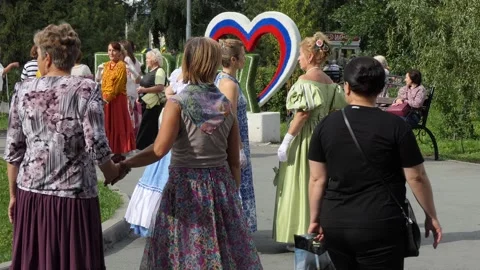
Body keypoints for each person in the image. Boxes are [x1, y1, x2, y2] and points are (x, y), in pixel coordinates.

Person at [112, 37, 262, 269]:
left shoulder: (177, 103)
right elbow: (234, 162)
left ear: (188, 63)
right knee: (218, 255)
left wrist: (126, 164)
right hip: (220, 188)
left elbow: (159, 150)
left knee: (182, 253)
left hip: (186, 190)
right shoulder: (224, 104)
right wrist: (230, 197)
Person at [308, 56, 442, 270]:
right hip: (381, 223)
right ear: (381, 88)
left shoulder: (326, 125)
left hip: (336, 221)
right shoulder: (396, 127)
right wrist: (431, 215)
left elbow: (317, 178)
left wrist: (315, 218)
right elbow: (416, 176)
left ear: (347, 88)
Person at [4, 23, 120, 270]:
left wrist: (13, 195)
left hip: (32, 196)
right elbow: (97, 143)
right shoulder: (86, 89)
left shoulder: (23, 90)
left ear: (46, 57)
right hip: (74, 198)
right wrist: (113, 172)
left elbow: (14, 150)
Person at [273, 32, 348, 251]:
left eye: (300, 55)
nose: (298, 59)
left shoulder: (305, 81)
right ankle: (319, 229)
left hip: (305, 137)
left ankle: (300, 231)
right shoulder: (329, 82)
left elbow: (302, 114)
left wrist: (286, 140)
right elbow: (335, 111)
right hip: (324, 136)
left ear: (310, 56)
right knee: (320, 183)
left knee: (300, 180)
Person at [124, 69, 188, 237]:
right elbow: (167, 91)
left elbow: (167, 91)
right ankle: (155, 221)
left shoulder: (197, 81)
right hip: (173, 132)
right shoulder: (178, 75)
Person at [215, 38, 257, 233]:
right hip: (234, 143)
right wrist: (238, 149)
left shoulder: (225, 80)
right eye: (242, 56)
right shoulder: (228, 83)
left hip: (235, 141)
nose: (245, 59)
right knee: (236, 184)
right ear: (233, 60)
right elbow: (230, 117)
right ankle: (235, 231)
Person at [101, 41, 136, 162]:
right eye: (109, 50)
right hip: (106, 98)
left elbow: (117, 86)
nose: (111, 53)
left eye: (114, 50)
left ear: (119, 53)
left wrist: (106, 99)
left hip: (117, 99)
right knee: (107, 123)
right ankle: (110, 148)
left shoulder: (121, 65)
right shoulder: (106, 65)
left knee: (117, 123)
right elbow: (104, 83)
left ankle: (119, 150)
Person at [135, 48, 166, 150]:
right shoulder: (150, 72)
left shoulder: (159, 71)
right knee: (146, 128)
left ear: (154, 59)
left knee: (148, 128)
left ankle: (148, 150)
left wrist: (144, 90)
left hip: (153, 105)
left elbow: (160, 87)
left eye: (148, 58)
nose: (146, 60)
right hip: (147, 104)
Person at [119, 40, 142, 135]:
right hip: (134, 87)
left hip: (130, 88)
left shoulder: (127, 59)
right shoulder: (134, 59)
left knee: (129, 115)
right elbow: (139, 73)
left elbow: (135, 75)